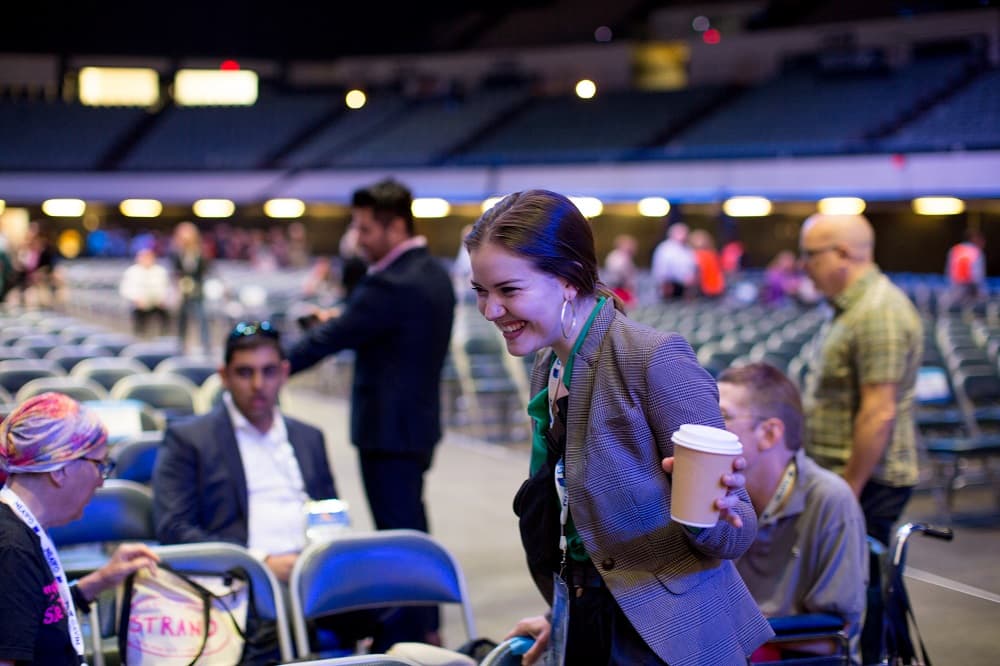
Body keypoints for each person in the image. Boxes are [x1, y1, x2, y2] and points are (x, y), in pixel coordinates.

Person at [466, 190, 772, 665]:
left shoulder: (653, 358)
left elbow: (737, 532)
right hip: (586, 612)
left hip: (666, 638)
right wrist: (561, 616)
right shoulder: (547, 364)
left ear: (568, 280)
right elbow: (583, 527)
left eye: (508, 290)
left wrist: (711, 509)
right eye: (481, 292)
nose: (490, 310)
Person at [285, 178, 455, 644]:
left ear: (395, 225)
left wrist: (278, 365)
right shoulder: (432, 273)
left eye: (365, 229)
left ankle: (412, 633)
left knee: (397, 534)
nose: (358, 239)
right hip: (417, 423)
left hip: (387, 429)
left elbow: (333, 338)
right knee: (410, 527)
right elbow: (373, 326)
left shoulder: (390, 282)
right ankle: (426, 625)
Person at [798, 212, 923, 664]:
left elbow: (879, 411)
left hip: (867, 480)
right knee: (852, 586)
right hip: (847, 476)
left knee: (862, 591)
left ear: (844, 254)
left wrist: (847, 488)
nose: (803, 265)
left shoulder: (878, 312)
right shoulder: (852, 308)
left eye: (810, 255)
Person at [153, 320, 336, 580]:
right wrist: (258, 562)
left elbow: (330, 513)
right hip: (239, 580)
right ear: (224, 376)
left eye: (269, 371)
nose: (258, 384)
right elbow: (174, 528)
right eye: (245, 373)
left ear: (284, 373)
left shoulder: (310, 437)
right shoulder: (189, 439)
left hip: (315, 572)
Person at [719, 363, 868, 666]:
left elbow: (833, 637)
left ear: (770, 433)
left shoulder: (828, 499)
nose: (709, 427)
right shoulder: (720, 491)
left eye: (723, 417)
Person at [0, 393, 159, 665]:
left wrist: (100, 581)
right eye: (100, 465)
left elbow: (37, 616)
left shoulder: (20, 529)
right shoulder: (12, 549)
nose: (100, 482)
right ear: (60, 469)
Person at [170, 221, 212, 353]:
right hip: (182, 291)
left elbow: (205, 270)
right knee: (182, 319)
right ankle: (180, 345)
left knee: (201, 317)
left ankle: (206, 346)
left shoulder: (200, 252)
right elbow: (175, 271)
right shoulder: (176, 252)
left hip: (197, 290)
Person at [119, 247, 171, 337]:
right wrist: (136, 299)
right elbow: (126, 289)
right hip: (139, 304)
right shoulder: (132, 272)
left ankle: (164, 336)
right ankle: (139, 335)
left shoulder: (160, 271)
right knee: (138, 314)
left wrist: (161, 299)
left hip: (157, 303)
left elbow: (166, 288)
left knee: (166, 314)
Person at [651, 222, 696, 300]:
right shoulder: (665, 248)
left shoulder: (687, 248)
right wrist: (664, 283)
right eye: (680, 233)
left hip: (685, 286)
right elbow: (661, 268)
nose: (684, 235)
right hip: (670, 285)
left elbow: (692, 265)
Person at [946, 229, 986, 305]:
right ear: (974, 239)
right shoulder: (975, 251)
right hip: (970, 288)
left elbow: (949, 270)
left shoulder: (955, 249)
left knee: (958, 311)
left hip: (955, 288)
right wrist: (981, 292)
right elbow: (977, 276)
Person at [602, 233, 638, 309]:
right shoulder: (617, 257)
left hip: (622, 289)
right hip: (618, 289)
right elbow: (618, 274)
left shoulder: (625, 257)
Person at [689, 228, 725, 298]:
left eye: (702, 239)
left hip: (714, 287)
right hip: (702, 288)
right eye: (698, 239)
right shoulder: (693, 254)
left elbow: (718, 271)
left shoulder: (712, 254)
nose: (700, 242)